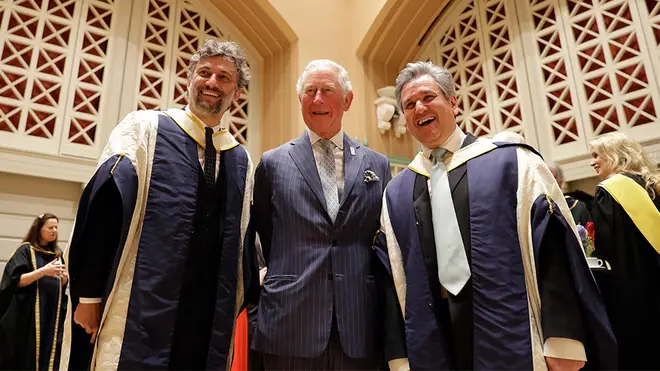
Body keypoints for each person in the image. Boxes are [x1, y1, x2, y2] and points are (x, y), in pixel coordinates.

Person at [374, 61, 617, 370]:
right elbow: (393, 275)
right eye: (409, 104)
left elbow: (553, 248)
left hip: (508, 326)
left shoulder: (512, 163)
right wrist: (400, 355)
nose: (419, 107)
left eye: (427, 97)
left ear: (452, 101)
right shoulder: (397, 192)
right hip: (434, 336)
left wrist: (563, 336)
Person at [58, 39, 256, 370]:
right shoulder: (145, 129)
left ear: (236, 93)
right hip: (142, 307)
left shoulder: (239, 158)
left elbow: (244, 245)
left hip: (206, 317)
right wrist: (89, 295)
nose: (212, 83)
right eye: (204, 73)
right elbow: (103, 208)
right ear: (189, 79)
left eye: (224, 77)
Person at [249, 59, 392, 370]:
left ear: (347, 100)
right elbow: (259, 234)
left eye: (327, 90)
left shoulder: (377, 164)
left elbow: (384, 240)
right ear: (300, 100)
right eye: (309, 91)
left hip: (359, 325)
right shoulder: (273, 163)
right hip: (289, 322)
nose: (317, 100)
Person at [589, 132, 660, 370]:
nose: (592, 161)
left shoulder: (609, 191)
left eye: (596, 155)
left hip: (633, 291)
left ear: (613, 155)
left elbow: (608, 251)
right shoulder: (652, 185)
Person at [0, 213, 68, 370]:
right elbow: (14, 281)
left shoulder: (57, 254)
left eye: (56, 227)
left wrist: (64, 279)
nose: (54, 231)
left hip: (51, 316)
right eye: (50, 227)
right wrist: (43, 271)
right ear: (40, 229)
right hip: (29, 316)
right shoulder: (25, 251)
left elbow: (61, 285)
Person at [548, 162, 592, 226]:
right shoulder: (539, 212)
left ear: (561, 181)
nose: (548, 182)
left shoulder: (578, 208)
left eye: (552, 178)